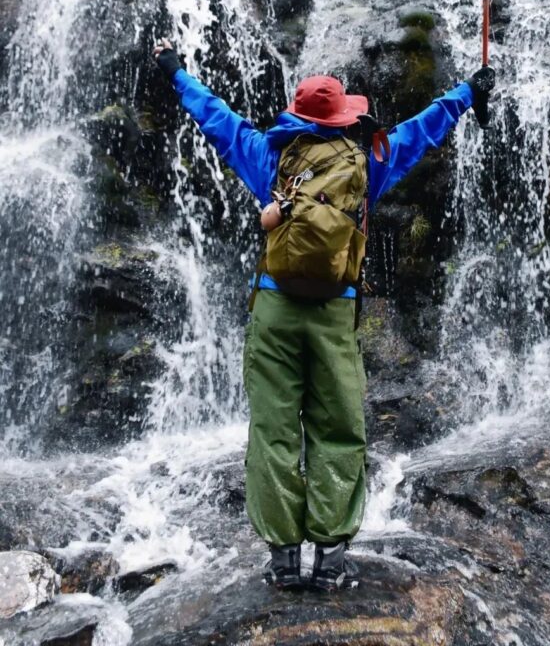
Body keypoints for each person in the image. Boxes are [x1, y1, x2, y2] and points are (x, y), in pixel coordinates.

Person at [154, 38, 495, 589]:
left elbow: (216, 118)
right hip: (335, 312)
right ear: (342, 117)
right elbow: (420, 130)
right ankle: (331, 559)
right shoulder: (367, 163)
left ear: (297, 116)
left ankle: (284, 561)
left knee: (273, 428)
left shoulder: (268, 156)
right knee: (338, 427)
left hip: (275, 307)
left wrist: (176, 72)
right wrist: (466, 94)